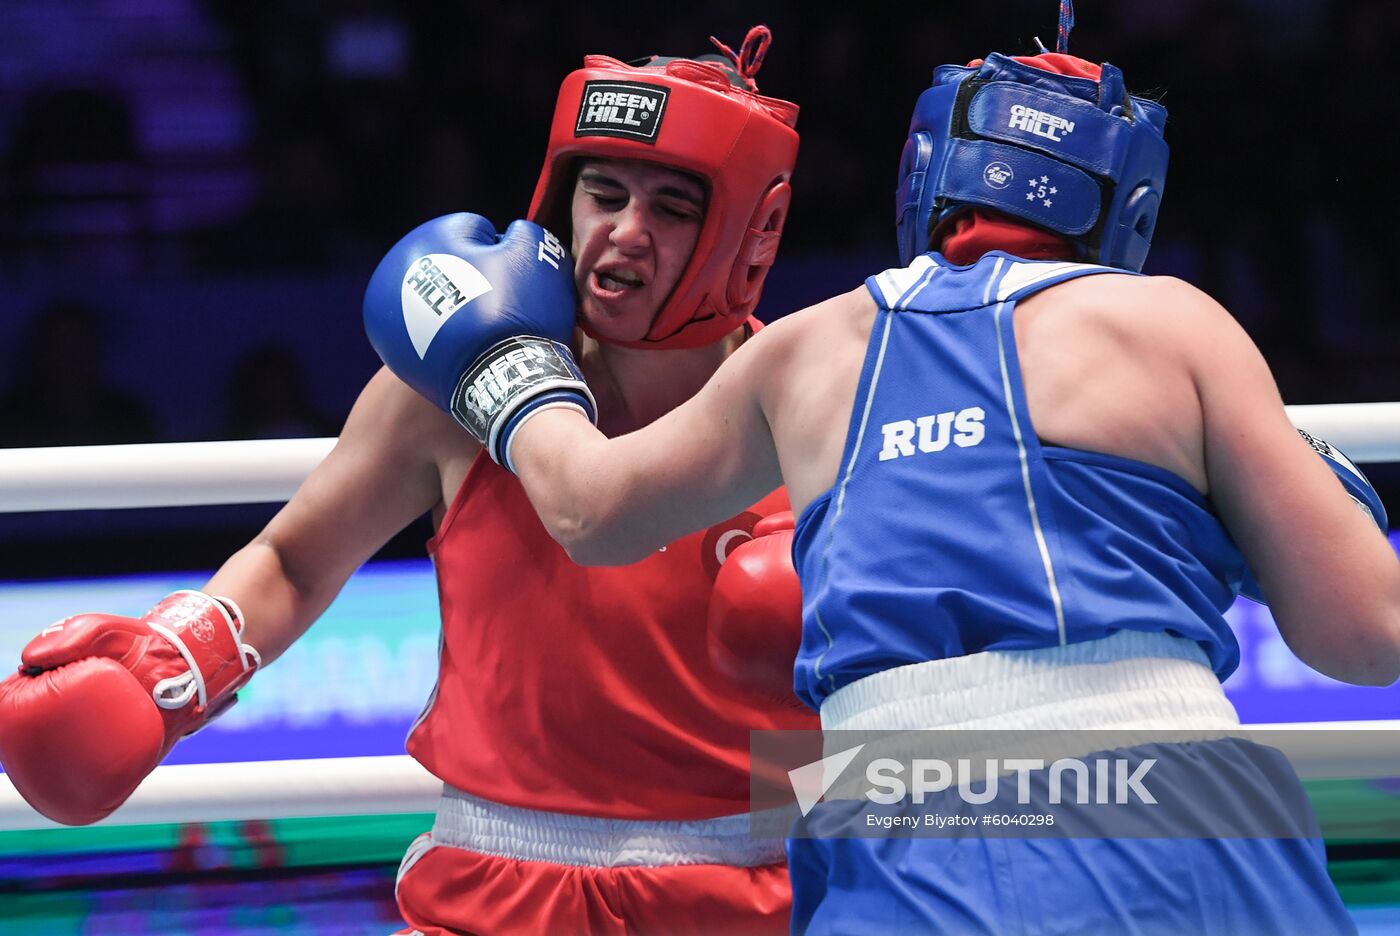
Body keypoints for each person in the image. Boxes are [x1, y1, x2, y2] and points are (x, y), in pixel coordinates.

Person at [362, 24, 1400, 936]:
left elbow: (587, 509)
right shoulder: (1177, 323)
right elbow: (1366, 637)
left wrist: (506, 367)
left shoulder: (812, 348)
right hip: (1182, 786)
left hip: (910, 805)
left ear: (923, 178)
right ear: (1125, 207)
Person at [0, 27, 820, 936]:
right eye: (603, 194)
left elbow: (915, 726)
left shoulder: (818, 411)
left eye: (671, 207)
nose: (623, 232)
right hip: (488, 896)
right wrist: (174, 662)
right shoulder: (450, 383)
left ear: (749, 230)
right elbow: (295, 562)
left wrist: (838, 803)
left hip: (750, 897)